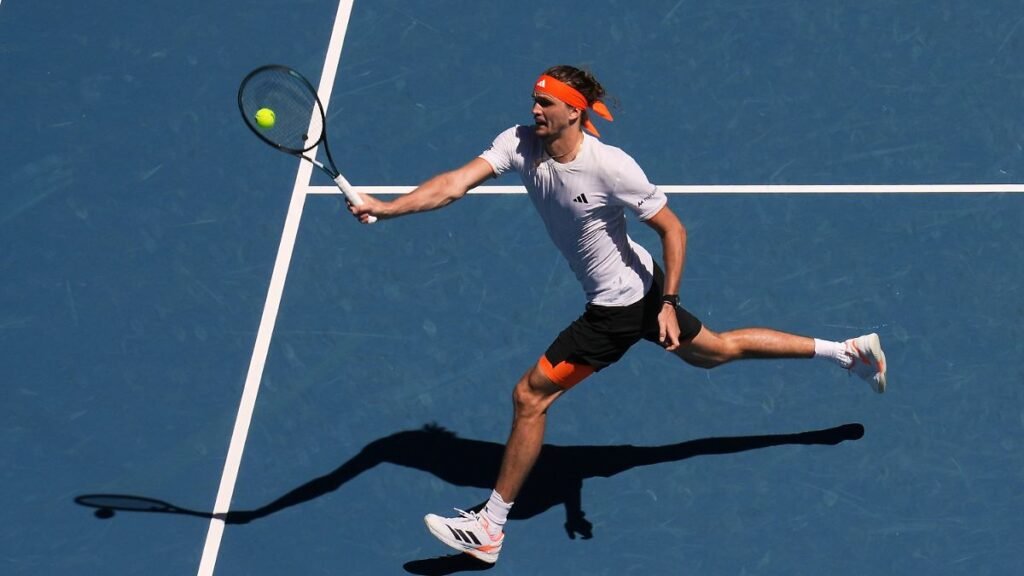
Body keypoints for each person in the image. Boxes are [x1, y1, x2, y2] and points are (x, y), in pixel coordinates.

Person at [348, 64, 887, 564]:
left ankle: (490, 527)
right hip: (640, 287)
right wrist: (387, 207)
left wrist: (668, 306)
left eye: (545, 105)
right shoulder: (518, 142)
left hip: (620, 309)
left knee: (530, 396)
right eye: (534, 101)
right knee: (718, 351)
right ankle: (847, 351)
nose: (535, 111)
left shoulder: (610, 167)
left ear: (574, 113)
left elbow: (673, 229)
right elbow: (452, 184)